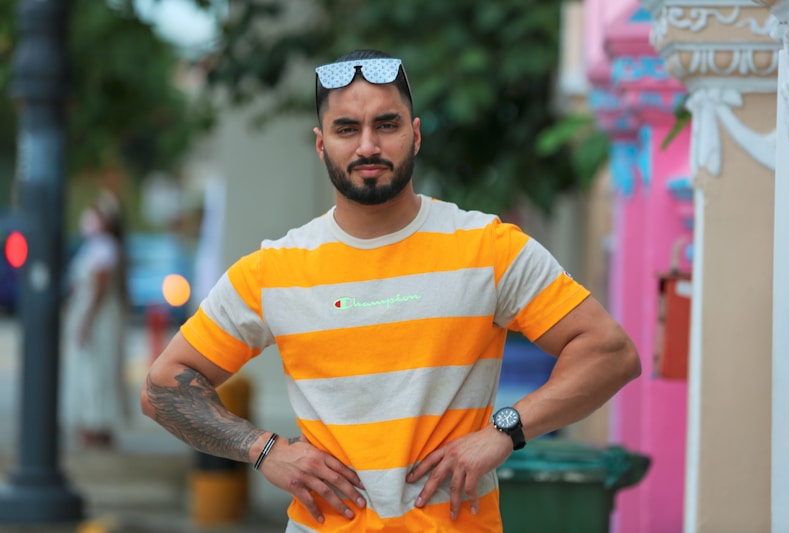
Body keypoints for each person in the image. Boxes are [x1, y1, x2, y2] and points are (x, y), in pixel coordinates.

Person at [141, 49, 641, 532]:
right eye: (346, 129)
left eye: (386, 124)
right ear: (321, 144)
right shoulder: (274, 270)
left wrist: (504, 431)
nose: (367, 146)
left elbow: (610, 353)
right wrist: (263, 449)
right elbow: (161, 387)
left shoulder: (487, 247)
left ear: (415, 134)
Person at [63, 190, 129, 448]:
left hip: (100, 318)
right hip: (93, 313)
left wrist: (86, 320)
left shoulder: (105, 248)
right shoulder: (95, 247)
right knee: (92, 367)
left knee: (96, 369)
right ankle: (94, 424)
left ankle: (96, 423)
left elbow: (99, 288)